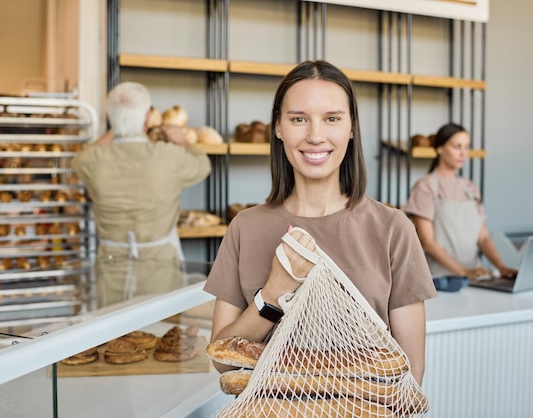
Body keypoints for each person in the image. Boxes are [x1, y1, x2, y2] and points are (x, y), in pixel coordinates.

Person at [203, 60, 436, 385]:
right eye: (299, 119)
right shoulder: (245, 228)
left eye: (332, 119)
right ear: (278, 128)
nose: (315, 136)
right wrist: (274, 293)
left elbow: (411, 375)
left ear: (351, 128)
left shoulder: (393, 228)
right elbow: (223, 362)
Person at [72, 82, 211, 306]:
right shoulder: (169, 155)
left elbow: (81, 157)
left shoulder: (92, 161)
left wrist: (117, 127)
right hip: (160, 266)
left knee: (113, 334)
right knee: (161, 333)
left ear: (112, 118)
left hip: (111, 266)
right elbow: (203, 164)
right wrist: (180, 139)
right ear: (147, 119)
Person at [404, 122, 517, 292]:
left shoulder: (470, 188)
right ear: (440, 149)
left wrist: (502, 267)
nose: (463, 153)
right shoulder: (425, 187)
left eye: (466, 147)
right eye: (457, 147)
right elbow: (427, 242)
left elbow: (483, 238)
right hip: (440, 280)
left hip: (476, 279)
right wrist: (464, 272)